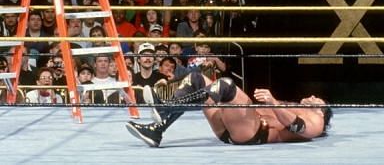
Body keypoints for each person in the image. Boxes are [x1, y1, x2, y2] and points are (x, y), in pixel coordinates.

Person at [126, 71, 331, 147]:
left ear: (322, 110)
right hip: (234, 124)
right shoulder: (293, 105)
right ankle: (157, 131)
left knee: (225, 85)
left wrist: (273, 101)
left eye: (318, 100)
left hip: (252, 133)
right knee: (197, 79)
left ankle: (166, 109)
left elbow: (297, 127)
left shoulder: (317, 121)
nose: (313, 97)